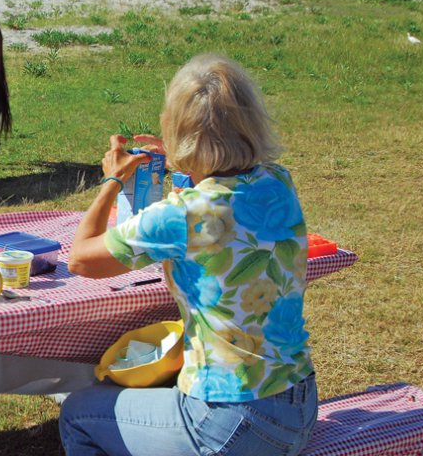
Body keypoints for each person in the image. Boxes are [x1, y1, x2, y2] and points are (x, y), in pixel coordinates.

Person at [61, 53, 317, 456]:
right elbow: (223, 197)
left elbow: (80, 258)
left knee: (78, 412)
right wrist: (188, 157)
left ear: (179, 130)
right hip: (297, 409)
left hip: (229, 422)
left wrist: (112, 179)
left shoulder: (180, 216)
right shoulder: (278, 182)